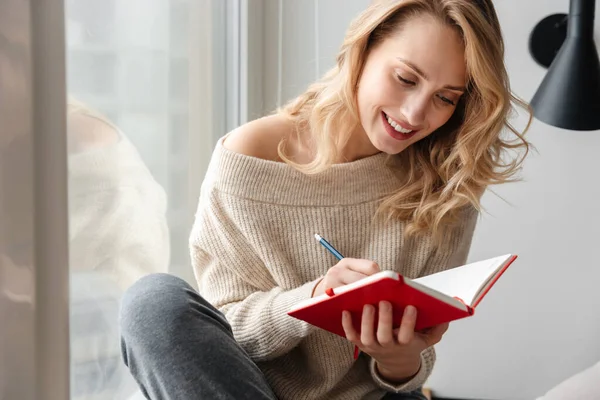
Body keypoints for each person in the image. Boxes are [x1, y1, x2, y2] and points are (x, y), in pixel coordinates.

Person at [119, 0, 531, 399]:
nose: (414, 113)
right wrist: (313, 297)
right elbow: (227, 330)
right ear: (364, 48)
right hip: (248, 389)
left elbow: (409, 371)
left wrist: (399, 359)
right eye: (406, 78)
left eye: (446, 97)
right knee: (153, 304)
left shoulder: (448, 180)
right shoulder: (251, 157)